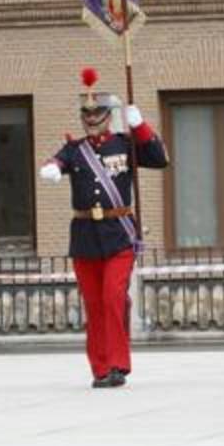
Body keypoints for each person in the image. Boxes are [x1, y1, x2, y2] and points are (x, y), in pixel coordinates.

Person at [39, 68, 169, 388]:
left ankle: (118, 364)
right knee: (94, 304)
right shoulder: (75, 149)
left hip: (118, 231)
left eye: (97, 112)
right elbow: (57, 161)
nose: (92, 118)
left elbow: (159, 157)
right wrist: (52, 169)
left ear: (109, 116)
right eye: (87, 113)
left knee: (113, 298)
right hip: (85, 236)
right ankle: (99, 367)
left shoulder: (125, 144)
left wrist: (140, 127)